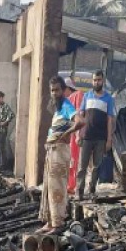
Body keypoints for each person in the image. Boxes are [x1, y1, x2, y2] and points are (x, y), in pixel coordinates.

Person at [39, 76, 84, 234]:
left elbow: (80, 121)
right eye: (52, 90)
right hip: (52, 150)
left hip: (59, 151)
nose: (54, 93)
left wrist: (67, 133)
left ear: (63, 90)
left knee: (57, 188)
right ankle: (50, 222)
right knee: (49, 187)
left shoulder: (66, 105)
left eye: (57, 90)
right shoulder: (57, 109)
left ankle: (58, 224)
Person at [75, 70, 115, 201]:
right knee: (82, 166)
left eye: (99, 80)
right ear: (92, 82)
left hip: (100, 137)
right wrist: (77, 134)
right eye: (94, 80)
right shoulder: (87, 96)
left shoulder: (108, 99)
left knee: (96, 166)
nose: (96, 82)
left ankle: (92, 191)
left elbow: (109, 119)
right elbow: (80, 116)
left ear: (103, 81)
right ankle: (79, 192)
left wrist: (109, 139)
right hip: (86, 136)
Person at [64, 77, 85, 194]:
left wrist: (78, 134)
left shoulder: (77, 95)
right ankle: (70, 184)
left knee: (74, 159)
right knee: (70, 160)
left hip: (74, 133)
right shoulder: (67, 100)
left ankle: (73, 185)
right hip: (69, 134)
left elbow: (79, 116)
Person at [0, 91, 14, 170]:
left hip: (3, 130)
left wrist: (5, 122)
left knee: (2, 147)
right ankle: (1, 163)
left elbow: (11, 115)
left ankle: (4, 164)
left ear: (2, 98)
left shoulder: (6, 106)